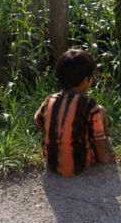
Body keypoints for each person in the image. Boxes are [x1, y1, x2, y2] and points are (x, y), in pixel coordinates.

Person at [33, 49, 114, 177]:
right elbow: (97, 139)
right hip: (81, 164)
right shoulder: (89, 104)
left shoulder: (50, 100)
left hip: (52, 163)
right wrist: (102, 158)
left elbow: (38, 121)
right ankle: (105, 144)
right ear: (86, 81)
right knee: (101, 110)